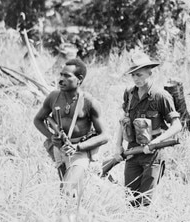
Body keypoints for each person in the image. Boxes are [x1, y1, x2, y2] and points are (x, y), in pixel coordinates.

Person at [113, 55, 182, 207]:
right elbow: (123, 120)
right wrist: (118, 146)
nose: (135, 78)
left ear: (150, 73)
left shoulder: (161, 96)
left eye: (139, 74)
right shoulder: (129, 94)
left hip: (152, 154)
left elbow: (177, 126)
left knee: (144, 201)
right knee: (130, 200)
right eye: (133, 75)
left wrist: (155, 143)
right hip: (132, 151)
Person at [33, 58, 108, 196]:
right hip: (59, 150)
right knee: (72, 192)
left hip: (79, 152)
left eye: (67, 76)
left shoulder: (89, 102)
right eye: (61, 74)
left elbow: (104, 136)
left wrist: (78, 147)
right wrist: (52, 137)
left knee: (65, 190)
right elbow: (38, 120)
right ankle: (75, 215)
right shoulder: (53, 97)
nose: (61, 79)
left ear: (79, 79)